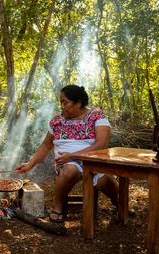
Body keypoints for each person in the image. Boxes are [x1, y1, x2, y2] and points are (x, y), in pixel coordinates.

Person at [15, 85, 118, 222]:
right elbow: (46, 145)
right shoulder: (57, 121)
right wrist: (30, 164)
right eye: (61, 102)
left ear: (79, 102)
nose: (62, 106)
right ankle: (58, 205)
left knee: (105, 181)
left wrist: (73, 155)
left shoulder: (97, 116)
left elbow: (101, 145)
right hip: (67, 162)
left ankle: (120, 203)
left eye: (65, 102)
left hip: (95, 159)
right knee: (70, 170)